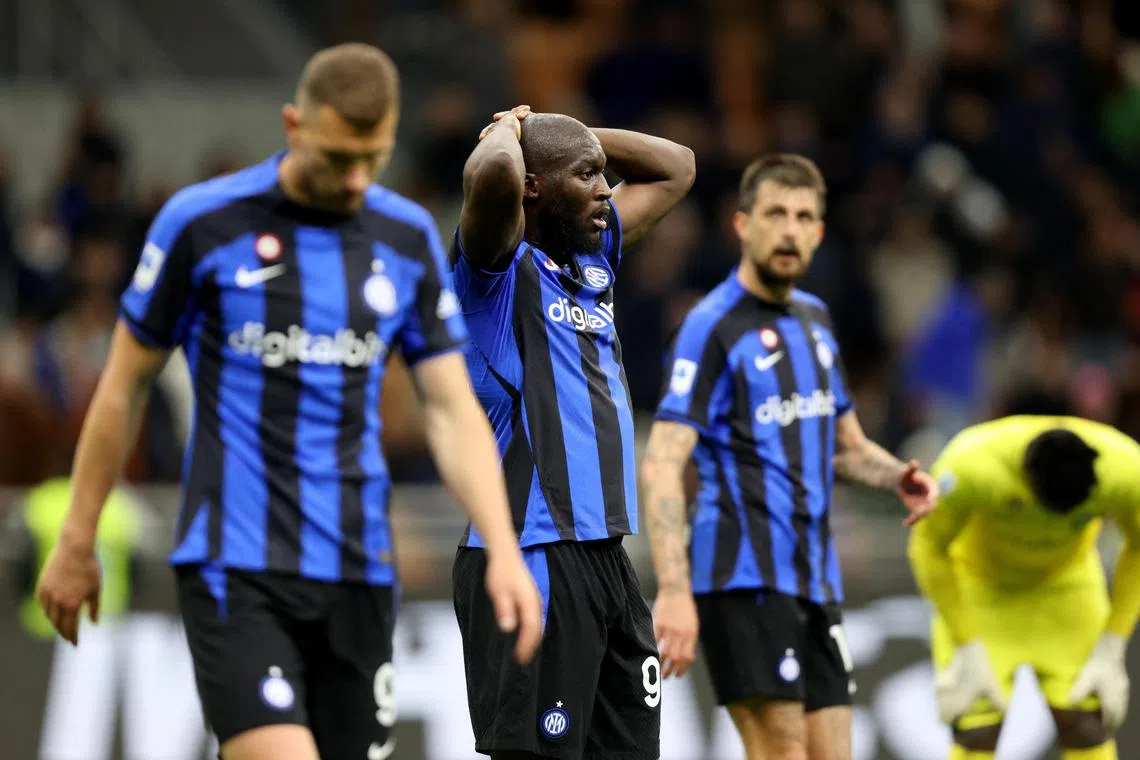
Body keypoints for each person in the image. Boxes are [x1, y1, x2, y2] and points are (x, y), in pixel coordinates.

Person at [34, 43, 542, 760]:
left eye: (374, 157)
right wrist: (78, 536)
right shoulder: (203, 224)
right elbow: (124, 386)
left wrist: (502, 548)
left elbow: (450, 407)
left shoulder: (403, 238)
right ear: (293, 125)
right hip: (236, 568)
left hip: (359, 576)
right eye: (339, 158)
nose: (356, 179)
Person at [640, 154, 939, 760]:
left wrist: (896, 476)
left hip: (814, 580)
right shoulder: (711, 325)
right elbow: (663, 459)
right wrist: (672, 588)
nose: (790, 228)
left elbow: (846, 447)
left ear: (820, 232)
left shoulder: (817, 323)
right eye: (775, 213)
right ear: (742, 225)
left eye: (804, 216)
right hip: (741, 577)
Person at [449, 104, 695, 759]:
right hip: (534, 553)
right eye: (586, 175)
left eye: (602, 175)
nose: (603, 189)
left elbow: (677, 168)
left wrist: (573, 136)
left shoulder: (593, 262)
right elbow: (496, 170)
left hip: (607, 558)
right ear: (535, 187)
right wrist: (509, 130)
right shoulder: (494, 272)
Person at [909, 415, 1140, 760]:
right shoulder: (971, 464)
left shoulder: (1127, 470)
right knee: (977, 729)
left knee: (1087, 723)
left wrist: (1113, 642)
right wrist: (967, 641)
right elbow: (927, 547)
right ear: (1026, 479)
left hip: (1066, 586)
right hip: (983, 587)